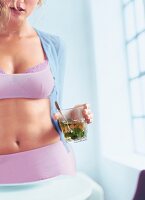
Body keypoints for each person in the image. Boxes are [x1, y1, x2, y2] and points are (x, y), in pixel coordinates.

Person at [0, 0, 93, 184]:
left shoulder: (54, 45)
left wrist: (74, 117)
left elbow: (58, 116)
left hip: (52, 165)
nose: (19, 3)